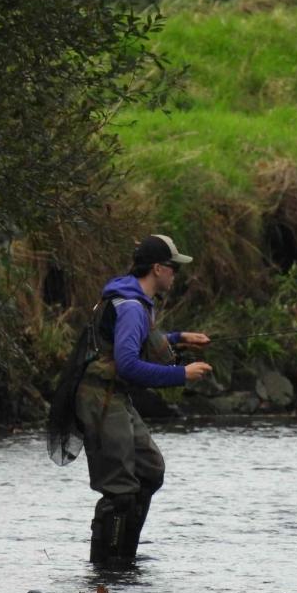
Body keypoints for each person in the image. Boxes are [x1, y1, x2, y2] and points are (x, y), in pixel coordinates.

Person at [75, 234, 213, 568]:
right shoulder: (133, 307)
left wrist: (178, 339)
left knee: (150, 470)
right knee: (120, 489)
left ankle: (125, 556)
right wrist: (182, 374)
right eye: (172, 268)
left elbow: (125, 343)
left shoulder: (129, 299)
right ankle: (108, 567)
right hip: (101, 398)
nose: (175, 275)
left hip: (113, 396)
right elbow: (128, 364)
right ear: (156, 269)